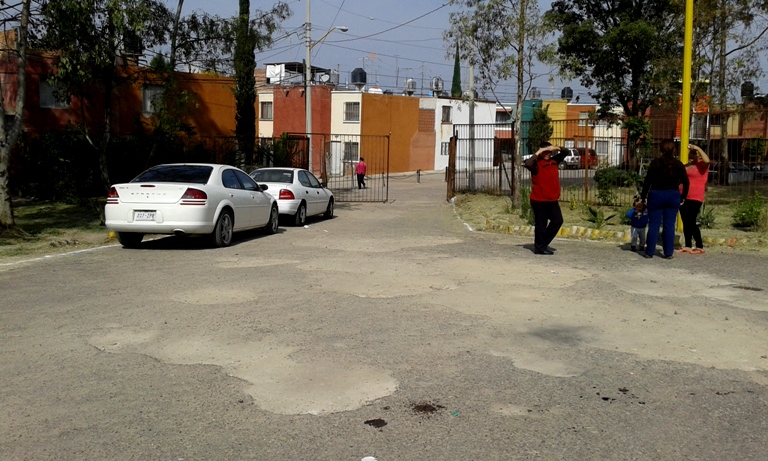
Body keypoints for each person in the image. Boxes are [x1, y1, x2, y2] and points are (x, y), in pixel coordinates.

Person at [639, 140, 690, 259]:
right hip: (673, 195)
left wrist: (643, 197)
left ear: (660, 150)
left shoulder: (655, 163)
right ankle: (668, 253)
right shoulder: (678, 164)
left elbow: (647, 181)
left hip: (656, 195)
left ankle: (649, 252)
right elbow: (686, 182)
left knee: (654, 224)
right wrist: (683, 197)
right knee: (669, 225)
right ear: (674, 150)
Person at [523, 142, 568, 255]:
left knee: (558, 221)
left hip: (552, 199)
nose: (548, 154)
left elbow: (566, 152)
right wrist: (538, 152)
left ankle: (542, 243)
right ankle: (540, 248)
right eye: (546, 152)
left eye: (550, 152)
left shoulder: (554, 161)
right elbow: (527, 164)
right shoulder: (536, 164)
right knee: (541, 224)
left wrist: (556, 148)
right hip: (539, 200)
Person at [676, 144, 710, 254]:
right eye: (691, 153)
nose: (692, 155)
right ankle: (688, 245)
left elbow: (707, 160)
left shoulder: (702, 165)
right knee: (685, 221)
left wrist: (698, 148)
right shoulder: (685, 166)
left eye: (695, 153)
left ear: (699, 156)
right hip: (683, 196)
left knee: (691, 221)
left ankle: (699, 245)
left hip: (696, 197)